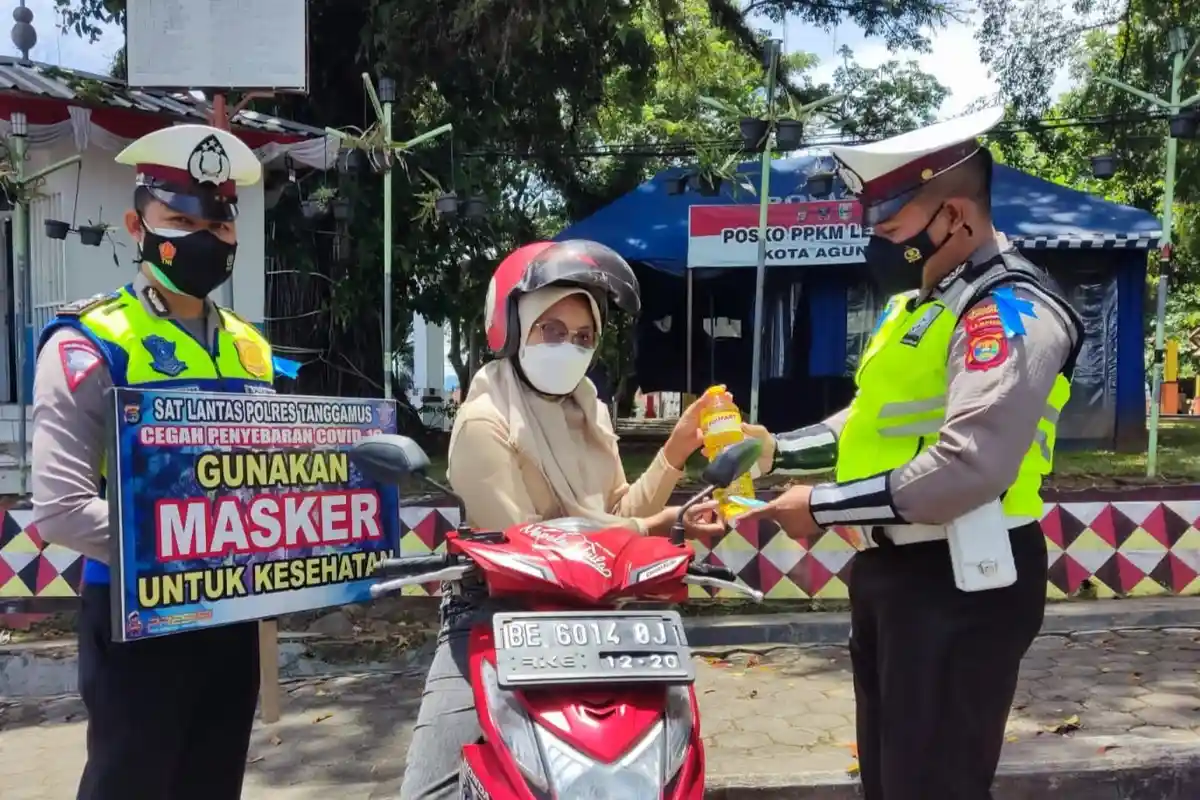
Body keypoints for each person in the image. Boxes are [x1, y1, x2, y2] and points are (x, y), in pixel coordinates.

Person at [738, 107, 1084, 800]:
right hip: (898, 575)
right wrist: (775, 449)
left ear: (954, 215)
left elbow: (969, 466)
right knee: (895, 782)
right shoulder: (917, 307)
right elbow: (867, 424)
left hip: (963, 580)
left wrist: (822, 507)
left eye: (890, 229)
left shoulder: (1009, 310)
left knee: (934, 786)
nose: (876, 243)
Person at [399, 240, 727, 799]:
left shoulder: (589, 411)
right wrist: (663, 526)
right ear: (513, 327)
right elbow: (535, 546)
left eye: (582, 337)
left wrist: (674, 455)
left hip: (604, 610)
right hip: (496, 612)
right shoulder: (484, 420)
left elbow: (616, 512)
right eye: (551, 330)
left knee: (668, 765)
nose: (568, 347)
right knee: (429, 790)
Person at [31, 124, 275, 800]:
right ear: (137, 224)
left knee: (213, 783)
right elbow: (59, 508)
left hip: (231, 618)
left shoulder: (252, 349)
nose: (207, 237)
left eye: (220, 223)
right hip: (139, 618)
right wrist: (186, 544)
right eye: (181, 219)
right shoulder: (88, 342)